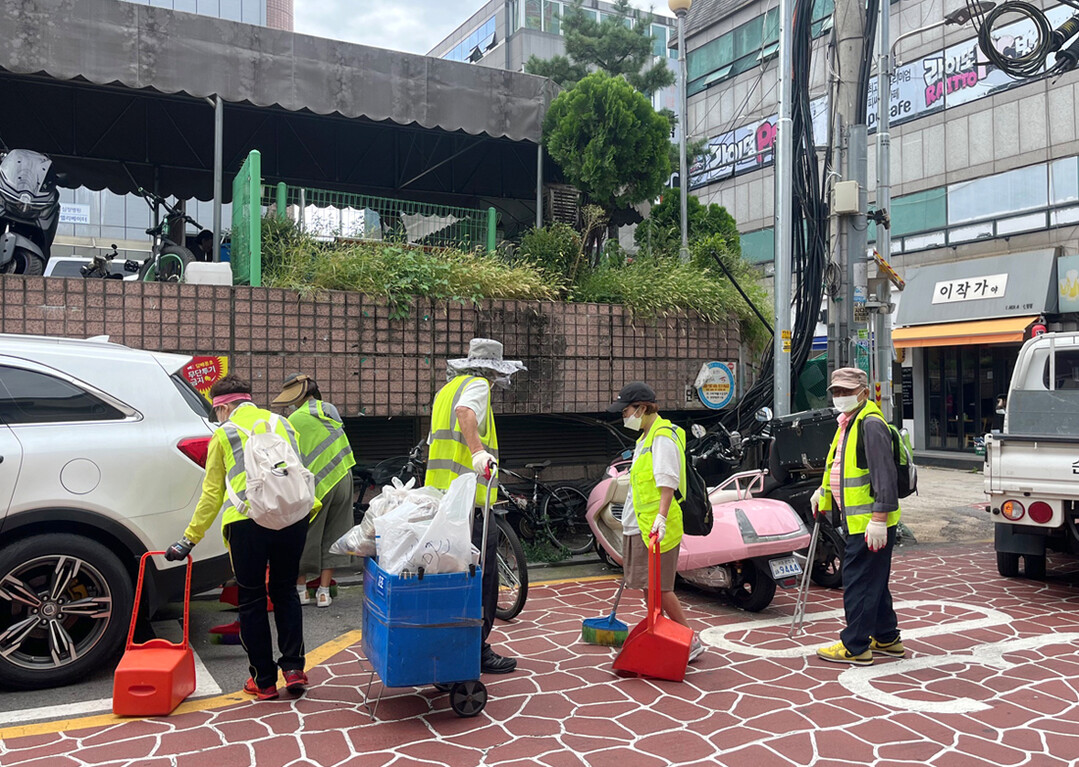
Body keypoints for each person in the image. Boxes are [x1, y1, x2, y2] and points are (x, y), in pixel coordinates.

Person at [166, 374, 318, 700]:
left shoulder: (224, 435)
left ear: (223, 408)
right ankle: (293, 669)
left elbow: (211, 496)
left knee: (251, 600)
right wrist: (306, 514)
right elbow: (298, 472)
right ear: (248, 399)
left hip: (247, 522)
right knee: (285, 592)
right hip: (292, 518)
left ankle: (263, 682)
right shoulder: (282, 424)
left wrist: (188, 540)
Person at [425, 338, 526, 675]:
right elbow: (465, 413)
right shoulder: (478, 386)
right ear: (492, 370)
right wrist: (478, 451)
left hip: (442, 499)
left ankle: (449, 644)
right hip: (470, 504)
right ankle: (477, 649)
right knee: (483, 578)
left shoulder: (446, 389)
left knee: (451, 577)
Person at [607, 382, 703, 663]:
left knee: (660, 588)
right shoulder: (646, 437)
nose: (624, 417)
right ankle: (665, 635)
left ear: (643, 408)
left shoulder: (661, 437)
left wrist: (660, 518)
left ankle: (689, 638)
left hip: (655, 527)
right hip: (642, 523)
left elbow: (668, 481)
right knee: (650, 589)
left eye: (626, 411)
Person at [812, 367, 902, 666]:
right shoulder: (848, 422)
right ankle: (887, 638)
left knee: (858, 582)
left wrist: (878, 518)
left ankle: (855, 646)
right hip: (858, 521)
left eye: (847, 392)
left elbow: (884, 474)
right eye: (836, 392)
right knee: (872, 580)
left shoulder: (870, 424)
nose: (840, 397)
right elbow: (838, 466)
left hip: (868, 524)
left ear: (864, 392)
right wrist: (822, 494)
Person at [272, 373, 356, 609]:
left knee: (307, 534)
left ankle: (300, 590)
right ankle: (323, 592)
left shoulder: (292, 420)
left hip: (316, 482)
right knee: (335, 533)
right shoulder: (329, 409)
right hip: (343, 475)